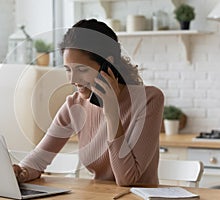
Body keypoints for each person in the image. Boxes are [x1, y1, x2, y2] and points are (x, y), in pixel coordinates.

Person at [13, 19, 164, 186]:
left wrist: (112, 111)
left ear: (108, 64)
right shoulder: (74, 105)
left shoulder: (149, 99)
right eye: (68, 70)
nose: (72, 80)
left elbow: (127, 179)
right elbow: (38, 159)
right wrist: (21, 172)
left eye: (82, 70)